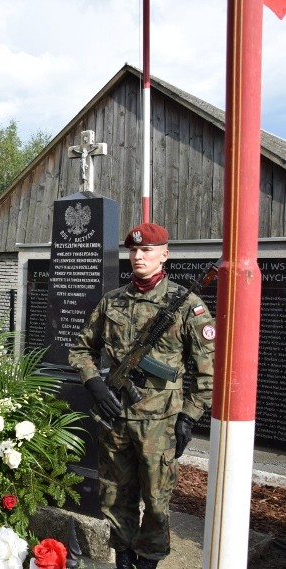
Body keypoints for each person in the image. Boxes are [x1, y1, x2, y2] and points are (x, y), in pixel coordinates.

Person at [68, 223, 215, 569]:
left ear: (164, 255)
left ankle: (148, 560)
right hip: (116, 418)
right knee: (114, 493)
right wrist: (96, 384)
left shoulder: (186, 305)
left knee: (156, 499)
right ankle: (122, 556)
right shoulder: (112, 301)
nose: (138, 256)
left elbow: (208, 370)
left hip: (160, 425)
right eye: (133, 250)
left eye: (147, 250)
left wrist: (188, 416)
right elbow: (80, 350)